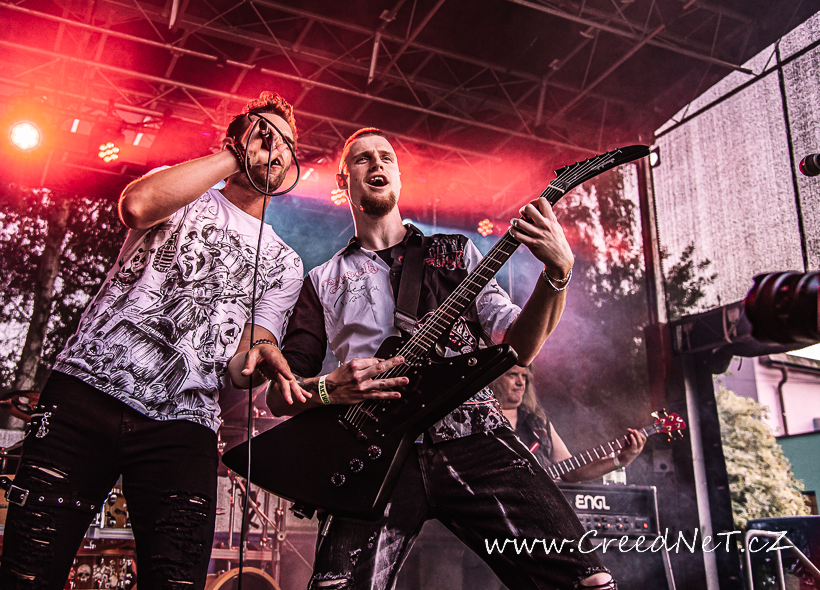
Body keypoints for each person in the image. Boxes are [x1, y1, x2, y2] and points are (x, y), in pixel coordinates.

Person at [232, 127, 617, 589]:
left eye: (386, 157)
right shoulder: (321, 280)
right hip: (373, 452)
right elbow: (280, 395)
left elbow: (520, 345)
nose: (377, 164)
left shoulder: (456, 252)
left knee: (588, 581)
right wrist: (330, 389)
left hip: (474, 432)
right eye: (362, 159)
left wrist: (558, 273)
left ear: (398, 177)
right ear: (342, 182)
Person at [0, 92, 309, 590]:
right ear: (236, 140)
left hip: (183, 424)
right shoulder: (183, 192)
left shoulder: (285, 263)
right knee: (28, 573)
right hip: (86, 393)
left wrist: (262, 356)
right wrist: (235, 155)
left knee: (176, 580)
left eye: (286, 144)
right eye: (263, 136)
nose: (275, 149)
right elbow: (136, 206)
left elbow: (239, 366)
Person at [492, 364, 646, 482]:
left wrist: (621, 460)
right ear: (495, 378)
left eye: (524, 376)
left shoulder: (538, 423)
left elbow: (572, 471)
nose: (521, 382)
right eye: (512, 375)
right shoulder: (482, 419)